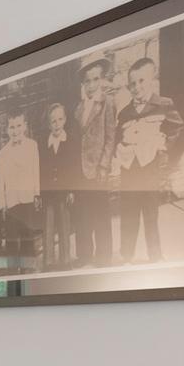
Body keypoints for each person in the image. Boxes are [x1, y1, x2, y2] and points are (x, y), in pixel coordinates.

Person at [114, 56, 184, 264]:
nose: (137, 87)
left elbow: (177, 127)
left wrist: (164, 146)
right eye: (132, 84)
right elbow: (119, 135)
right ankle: (127, 255)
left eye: (141, 81)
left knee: (150, 212)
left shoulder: (163, 104)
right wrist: (122, 147)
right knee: (128, 212)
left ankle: (155, 255)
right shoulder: (125, 112)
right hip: (130, 169)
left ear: (151, 79)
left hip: (150, 168)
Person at [73, 57, 121, 267]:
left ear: (102, 80)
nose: (91, 85)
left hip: (98, 168)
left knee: (101, 213)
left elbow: (110, 137)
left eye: (95, 79)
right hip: (81, 170)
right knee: (83, 214)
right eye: (87, 81)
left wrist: (104, 165)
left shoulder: (107, 103)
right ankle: (84, 255)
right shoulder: (78, 108)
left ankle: (104, 256)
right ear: (83, 84)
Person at [0, 109, 40, 266]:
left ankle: (27, 269)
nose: (15, 130)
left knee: (28, 236)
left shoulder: (32, 146)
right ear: (7, 129)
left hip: (28, 200)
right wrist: (2, 205)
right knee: (12, 239)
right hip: (11, 203)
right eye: (12, 127)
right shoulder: (2, 154)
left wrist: (37, 194)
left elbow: (35, 171)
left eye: (18, 126)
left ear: (25, 126)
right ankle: (12, 271)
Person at [37, 100, 80, 269]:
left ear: (65, 120)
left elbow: (74, 167)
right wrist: (39, 192)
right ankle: (48, 261)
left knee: (64, 224)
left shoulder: (70, 140)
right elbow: (39, 169)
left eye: (60, 119)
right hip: (48, 192)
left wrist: (71, 190)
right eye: (53, 121)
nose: (57, 124)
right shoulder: (43, 143)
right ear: (49, 124)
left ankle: (65, 260)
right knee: (48, 226)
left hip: (64, 191)